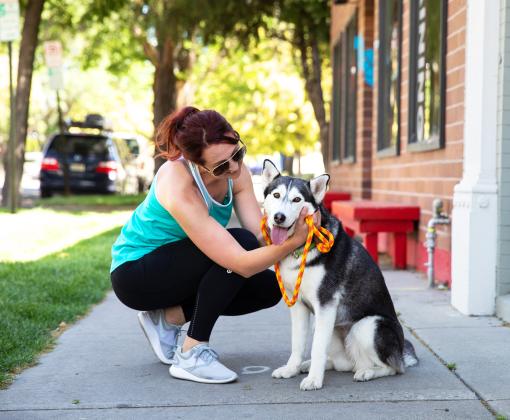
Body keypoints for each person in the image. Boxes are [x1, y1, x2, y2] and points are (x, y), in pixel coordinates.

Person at [110, 106, 318, 384]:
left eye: (238, 154)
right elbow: (240, 260)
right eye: (221, 166)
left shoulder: (236, 173)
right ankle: (191, 353)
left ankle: (170, 317)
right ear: (197, 164)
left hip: (180, 268)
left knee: (269, 288)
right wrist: (296, 240)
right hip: (136, 273)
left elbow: (260, 235)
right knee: (238, 246)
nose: (233, 167)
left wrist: (298, 222)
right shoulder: (177, 183)